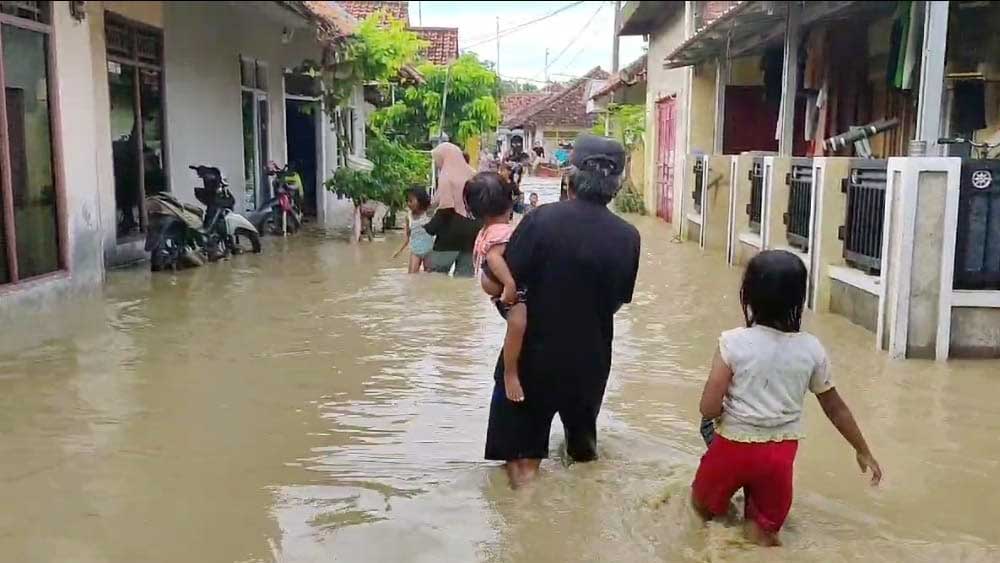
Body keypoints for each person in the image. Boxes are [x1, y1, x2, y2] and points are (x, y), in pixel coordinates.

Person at [692, 250, 883, 546]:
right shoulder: (811, 348)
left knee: (702, 510)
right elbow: (835, 408)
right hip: (779, 456)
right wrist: (862, 450)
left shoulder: (732, 342)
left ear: (747, 295)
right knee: (763, 533)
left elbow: (708, 406)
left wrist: (717, 417)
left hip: (732, 448)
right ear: (799, 300)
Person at [484, 134, 641, 487]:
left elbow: (503, 281)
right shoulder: (629, 236)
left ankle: (528, 517)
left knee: (523, 464)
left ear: (570, 176)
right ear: (616, 184)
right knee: (582, 460)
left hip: (532, 358)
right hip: (591, 361)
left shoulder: (540, 220)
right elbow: (617, 300)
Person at [465, 172, 528, 404]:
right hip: (499, 282)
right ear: (509, 203)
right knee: (518, 322)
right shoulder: (503, 232)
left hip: (492, 282)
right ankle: (510, 373)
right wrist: (509, 284)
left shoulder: (487, 229)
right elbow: (493, 258)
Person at [424, 142, 481, 277]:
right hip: (472, 233)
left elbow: (446, 208)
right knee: (465, 277)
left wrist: (429, 228)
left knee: (436, 275)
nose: (437, 163)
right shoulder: (474, 175)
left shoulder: (446, 177)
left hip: (449, 235)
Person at [392, 187, 434, 273]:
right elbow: (407, 238)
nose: (408, 203)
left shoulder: (428, 213)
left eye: (411, 201)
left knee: (429, 276)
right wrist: (398, 251)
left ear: (421, 201)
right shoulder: (408, 217)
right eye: (407, 201)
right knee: (412, 275)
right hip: (415, 251)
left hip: (429, 251)